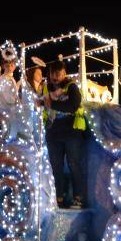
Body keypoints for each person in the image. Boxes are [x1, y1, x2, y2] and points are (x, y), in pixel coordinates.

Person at [39, 61, 86, 209]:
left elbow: (73, 106)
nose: (55, 76)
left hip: (72, 132)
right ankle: (58, 197)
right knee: (55, 167)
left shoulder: (71, 87)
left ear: (64, 73)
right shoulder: (46, 88)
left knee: (74, 164)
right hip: (53, 133)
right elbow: (39, 103)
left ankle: (78, 197)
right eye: (53, 73)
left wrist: (52, 104)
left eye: (58, 73)